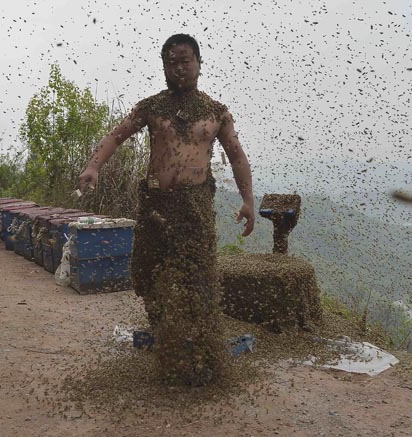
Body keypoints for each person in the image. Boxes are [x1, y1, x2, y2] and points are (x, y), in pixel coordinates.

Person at [78, 34, 255, 386]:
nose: (179, 68)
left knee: (198, 280)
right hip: (155, 203)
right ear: (164, 67)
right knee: (147, 273)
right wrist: (93, 166)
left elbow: (236, 154)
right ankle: (164, 336)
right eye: (171, 61)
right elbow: (116, 135)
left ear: (199, 64)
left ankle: (202, 354)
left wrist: (248, 200)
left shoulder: (216, 112)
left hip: (195, 207)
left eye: (185, 60)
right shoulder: (152, 107)